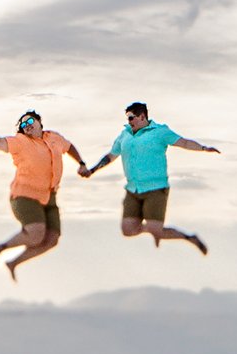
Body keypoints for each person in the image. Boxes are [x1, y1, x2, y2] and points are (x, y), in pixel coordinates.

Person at [78, 100, 218, 254]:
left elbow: (183, 143)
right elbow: (111, 156)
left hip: (155, 188)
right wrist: (92, 170)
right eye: (128, 118)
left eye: (131, 118)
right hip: (133, 189)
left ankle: (189, 237)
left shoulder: (160, 132)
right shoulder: (125, 134)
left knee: (156, 231)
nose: (129, 122)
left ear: (142, 116)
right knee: (128, 229)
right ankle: (152, 228)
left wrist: (204, 148)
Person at [0, 110, 85, 281]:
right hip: (24, 195)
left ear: (40, 122)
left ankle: (13, 263)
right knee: (36, 234)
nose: (26, 127)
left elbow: (69, 147)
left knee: (51, 239)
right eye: (23, 125)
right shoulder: (21, 142)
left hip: (50, 196)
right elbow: (0, 142)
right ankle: (1, 247)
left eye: (29, 122)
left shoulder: (54, 138)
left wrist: (81, 163)